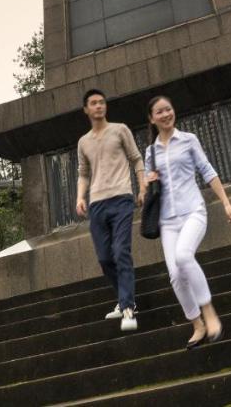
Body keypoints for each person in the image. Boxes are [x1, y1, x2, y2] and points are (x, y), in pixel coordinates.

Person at [141, 95, 231, 349]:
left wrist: (226, 202)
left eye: (168, 109)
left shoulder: (189, 140)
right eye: (159, 112)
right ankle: (197, 324)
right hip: (167, 220)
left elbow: (207, 170)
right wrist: (147, 184)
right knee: (175, 275)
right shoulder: (150, 152)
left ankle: (209, 312)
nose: (165, 114)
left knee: (184, 256)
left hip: (192, 211)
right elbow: (149, 190)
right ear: (152, 118)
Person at [76, 88, 145, 332]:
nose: (98, 106)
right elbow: (83, 173)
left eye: (102, 102)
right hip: (97, 204)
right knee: (105, 258)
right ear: (86, 109)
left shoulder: (120, 129)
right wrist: (80, 197)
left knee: (121, 251)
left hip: (122, 199)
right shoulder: (83, 141)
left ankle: (128, 309)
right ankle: (124, 298)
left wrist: (143, 186)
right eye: (93, 103)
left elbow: (136, 158)